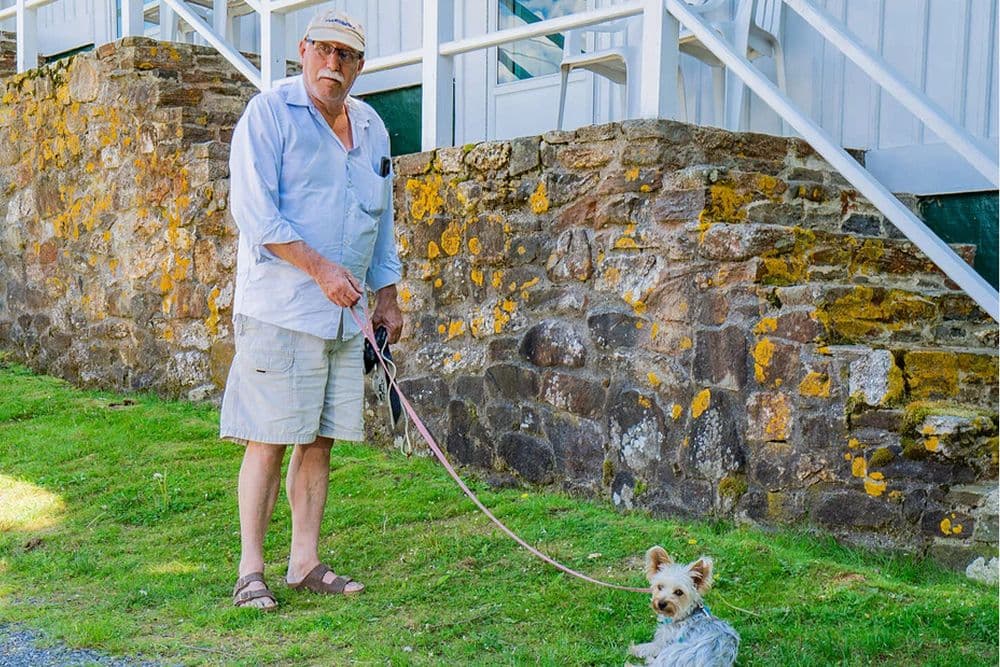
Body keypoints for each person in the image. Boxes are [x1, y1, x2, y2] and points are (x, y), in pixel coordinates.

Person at [221, 9, 403, 611]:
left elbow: (381, 224)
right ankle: (252, 571)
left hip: (343, 316)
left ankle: (304, 562)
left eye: (346, 55)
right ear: (302, 51)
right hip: (283, 308)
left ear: (359, 65)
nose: (333, 63)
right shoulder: (269, 114)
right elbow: (255, 214)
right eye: (323, 50)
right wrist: (321, 268)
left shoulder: (373, 127)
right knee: (268, 438)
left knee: (321, 439)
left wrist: (388, 295)